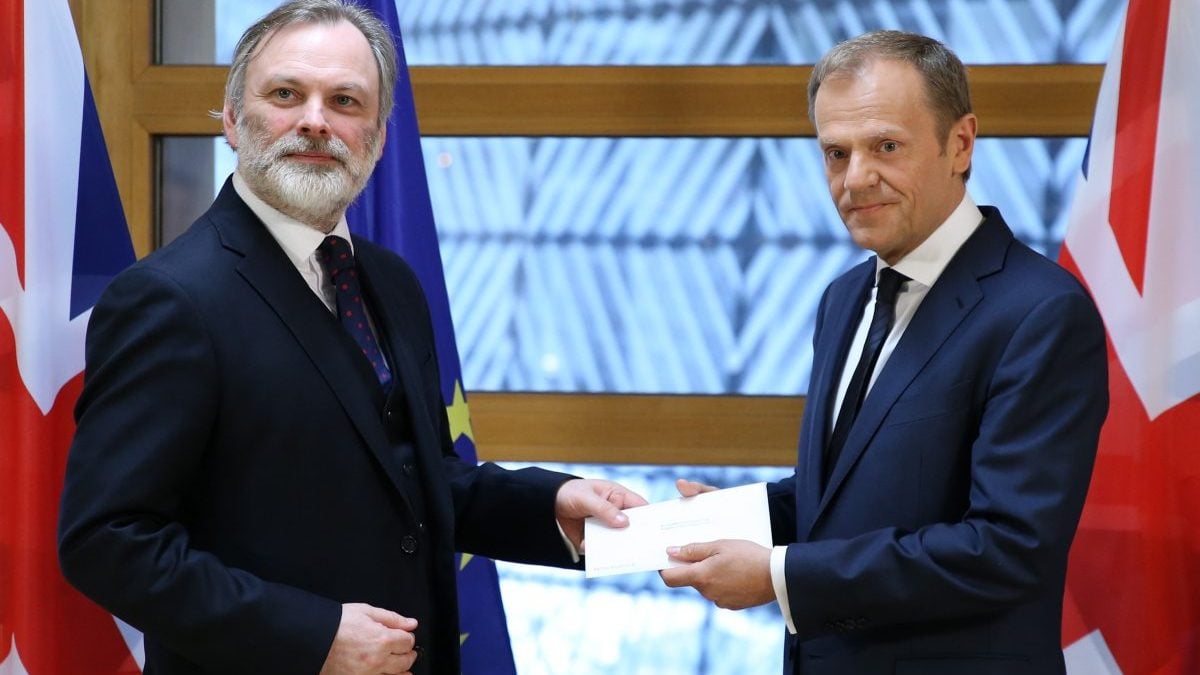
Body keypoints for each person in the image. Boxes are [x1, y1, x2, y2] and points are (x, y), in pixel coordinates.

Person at [57, 2, 645, 674]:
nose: (315, 120)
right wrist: (311, 634)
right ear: (230, 119)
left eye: (345, 100)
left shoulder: (390, 281)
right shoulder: (169, 299)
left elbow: (413, 481)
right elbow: (107, 539)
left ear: (377, 135)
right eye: (285, 94)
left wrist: (549, 506)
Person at [661, 30, 1108, 674]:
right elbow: (852, 492)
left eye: (886, 147)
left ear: (961, 144)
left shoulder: (1041, 311)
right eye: (836, 153)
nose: (856, 178)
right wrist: (738, 517)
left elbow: (1007, 546)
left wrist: (781, 576)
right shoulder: (843, 298)